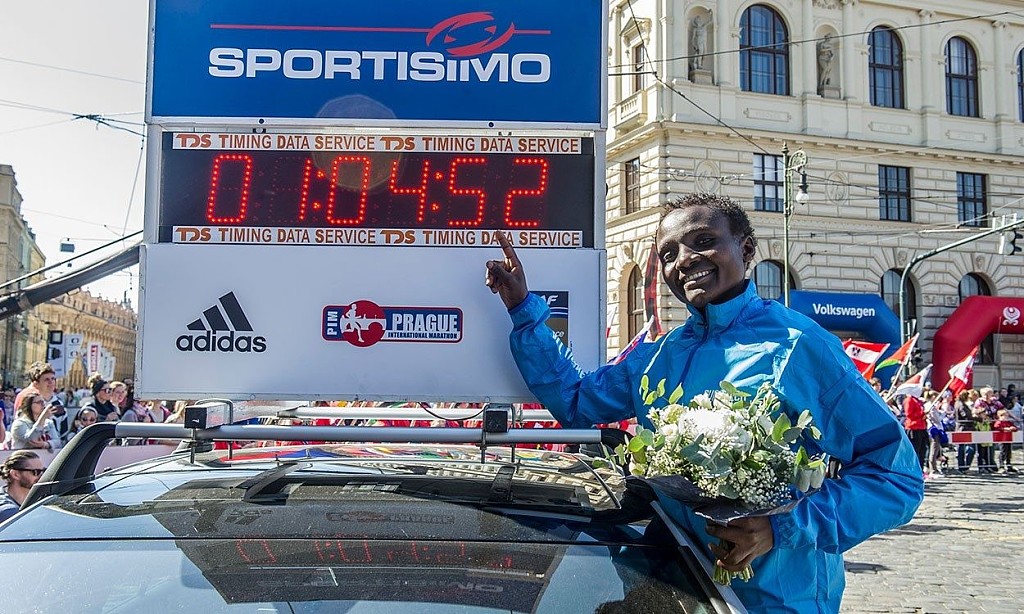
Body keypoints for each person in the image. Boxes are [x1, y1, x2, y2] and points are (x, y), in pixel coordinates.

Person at [484, 193, 923, 612]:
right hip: (670, 587)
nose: (684, 260)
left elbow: (896, 477)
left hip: (776, 597)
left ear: (746, 248)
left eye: (704, 241)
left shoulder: (800, 346)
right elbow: (576, 401)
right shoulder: (658, 356)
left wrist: (779, 528)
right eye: (669, 254)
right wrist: (523, 309)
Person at [0, 450, 44, 522]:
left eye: (43, 471)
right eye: (36, 472)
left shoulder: (40, 498)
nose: (41, 476)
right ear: (15, 474)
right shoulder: (7, 511)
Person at [954, 390, 977, 473]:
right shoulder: (961, 405)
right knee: (969, 448)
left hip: (962, 428)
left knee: (962, 449)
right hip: (964, 428)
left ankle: (963, 467)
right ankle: (964, 467)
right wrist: (978, 418)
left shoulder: (958, 404)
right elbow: (966, 416)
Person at [992, 408, 1018, 473]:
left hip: (1008, 439)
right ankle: (1001, 466)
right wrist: (1004, 429)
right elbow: (996, 427)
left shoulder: (1008, 422)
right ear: (1000, 416)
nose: (1007, 417)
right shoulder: (999, 422)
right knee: (1003, 452)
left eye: (1007, 416)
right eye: (1005, 416)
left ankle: (1008, 465)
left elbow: (1015, 428)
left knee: (1008, 452)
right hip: (1001, 439)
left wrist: (1013, 428)